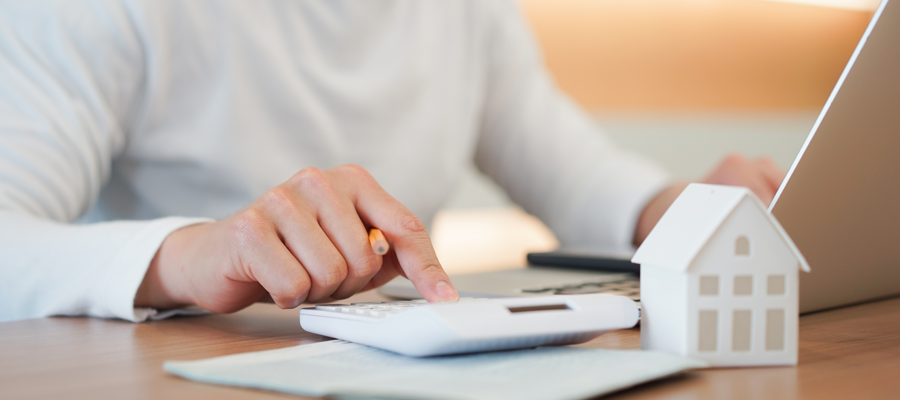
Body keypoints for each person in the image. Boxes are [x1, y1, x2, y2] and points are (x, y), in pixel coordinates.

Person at [0, 0, 784, 323]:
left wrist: (681, 210)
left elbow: (570, 167)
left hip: (397, 370)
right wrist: (191, 253)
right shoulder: (97, 13)